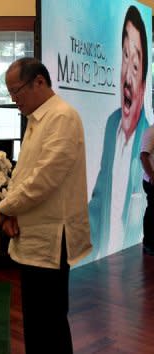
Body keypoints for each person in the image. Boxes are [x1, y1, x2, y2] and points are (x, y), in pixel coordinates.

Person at [0, 57, 92, 354]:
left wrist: (5, 208)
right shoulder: (37, 119)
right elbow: (22, 173)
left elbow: (44, 178)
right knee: (36, 324)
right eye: (10, 93)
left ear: (39, 81)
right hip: (33, 233)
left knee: (50, 324)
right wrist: (11, 210)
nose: (14, 100)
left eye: (17, 91)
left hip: (51, 238)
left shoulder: (62, 116)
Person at [88, 5, 149, 259]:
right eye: (126, 57)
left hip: (129, 262)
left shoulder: (147, 133)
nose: (128, 75)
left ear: (144, 82)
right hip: (101, 261)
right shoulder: (112, 123)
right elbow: (99, 199)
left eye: (136, 65)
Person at [140, 125, 154, 254]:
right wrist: (152, 177)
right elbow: (143, 156)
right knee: (152, 212)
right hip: (151, 182)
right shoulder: (151, 132)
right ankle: (148, 244)